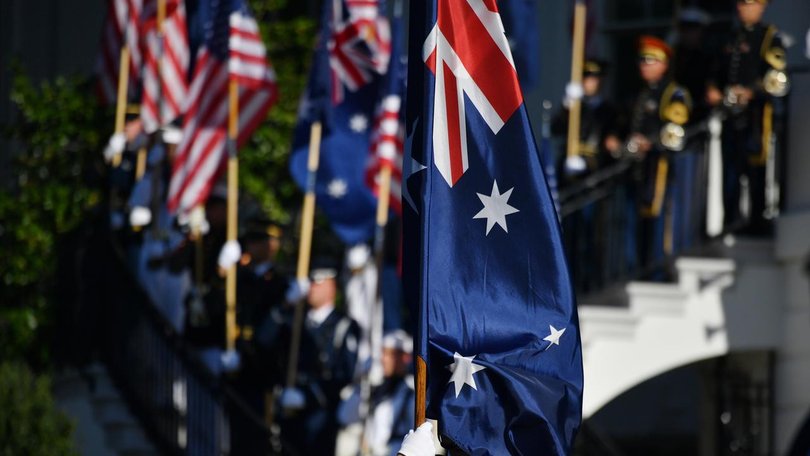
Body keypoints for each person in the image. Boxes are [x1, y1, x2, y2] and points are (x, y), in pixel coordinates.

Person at [706, 0, 788, 235]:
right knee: (730, 169)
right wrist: (714, 90)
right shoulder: (730, 37)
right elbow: (716, 73)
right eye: (740, 4)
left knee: (756, 164)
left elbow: (776, 78)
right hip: (730, 116)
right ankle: (730, 220)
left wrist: (751, 91)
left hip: (756, 115)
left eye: (749, 4)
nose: (743, 8)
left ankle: (756, 219)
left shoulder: (769, 36)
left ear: (761, 6)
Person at [266, 259, 359, 455]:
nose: (311, 288)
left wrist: (308, 396)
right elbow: (263, 341)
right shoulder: (293, 320)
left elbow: (345, 375)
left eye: (316, 282)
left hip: (321, 416)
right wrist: (284, 305)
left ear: (331, 285)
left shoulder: (343, 326)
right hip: (288, 412)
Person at [624, 36, 693, 271]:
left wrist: (649, 143)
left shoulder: (674, 94)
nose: (644, 64)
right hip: (641, 170)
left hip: (660, 168)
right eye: (642, 60)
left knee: (659, 222)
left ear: (663, 64)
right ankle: (639, 267)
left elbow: (676, 132)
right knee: (639, 223)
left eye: (651, 60)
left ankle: (656, 268)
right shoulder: (642, 95)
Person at [552, 58, 621, 180]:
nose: (588, 83)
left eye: (593, 79)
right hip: (568, 166)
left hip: (596, 170)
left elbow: (612, 140)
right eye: (585, 78)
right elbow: (556, 129)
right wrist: (566, 106)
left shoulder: (610, 111)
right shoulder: (575, 107)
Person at [366, 330, 416, 456]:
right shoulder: (379, 388)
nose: (383, 359)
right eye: (383, 353)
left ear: (405, 357)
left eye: (389, 354)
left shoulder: (412, 392)